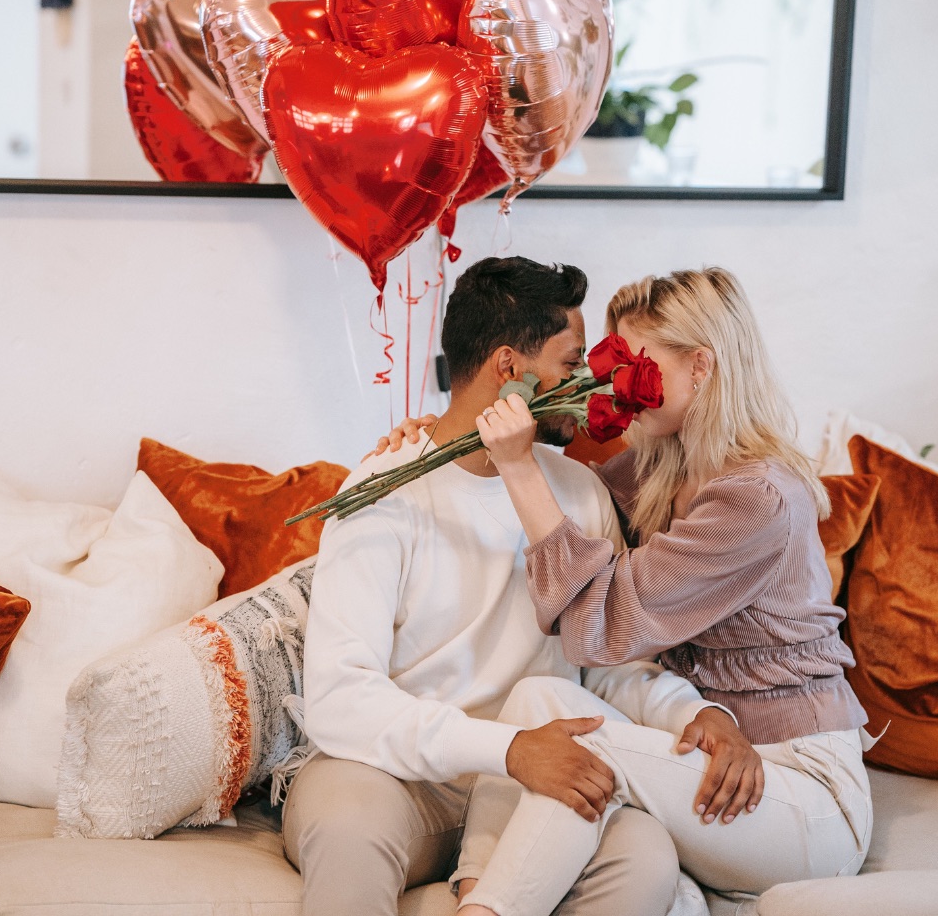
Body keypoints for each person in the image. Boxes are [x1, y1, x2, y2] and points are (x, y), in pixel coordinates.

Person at [384, 267, 875, 916]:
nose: (618, 383)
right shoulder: (657, 468)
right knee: (539, 700)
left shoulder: (756, 496)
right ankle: (475, 891)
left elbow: (602, 624)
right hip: (713, 758)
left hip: (802, 791)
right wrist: (444, 439)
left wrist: (516, 465)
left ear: (700, 367)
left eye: (637, 363)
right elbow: (564, 499)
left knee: (574, 747)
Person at [284, 257, 756, 916]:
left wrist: (692, 713)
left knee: (644, 855)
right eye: (570, 361)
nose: (587, 379)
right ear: (509, 368)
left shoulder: (579, 492)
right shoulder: (382, 492)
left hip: (539, 783)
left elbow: (608, 664)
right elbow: (341, 700)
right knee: (344, 825)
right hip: (399, 776)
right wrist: (509, 749)